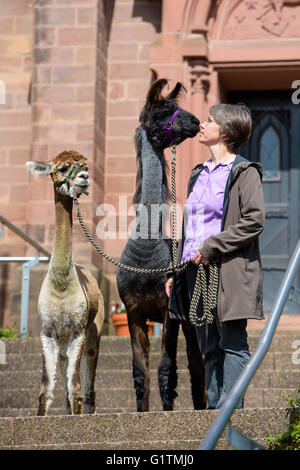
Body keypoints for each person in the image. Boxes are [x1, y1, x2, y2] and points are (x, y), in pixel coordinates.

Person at [165, 103, 265, 409]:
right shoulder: (198, 173)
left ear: (224, 131)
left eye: (209, 121)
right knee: (207, 344)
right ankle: (213, 411)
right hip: (195, 271)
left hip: (230, 268)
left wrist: (211, 247)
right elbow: (189, 225)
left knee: (232, 342)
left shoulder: (244, 172)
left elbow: (254, 220)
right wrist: (174, 270)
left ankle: (230, 411)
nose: (202, 124)